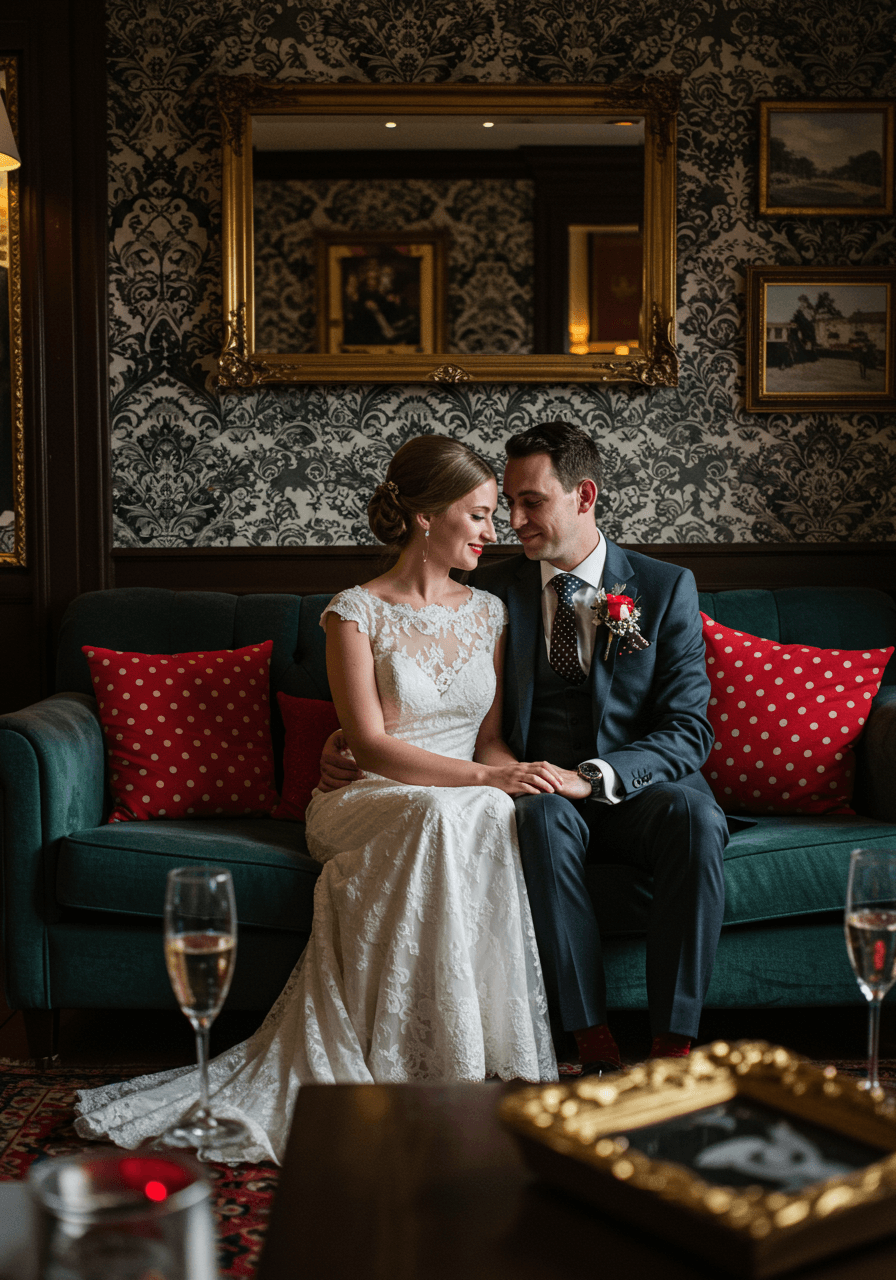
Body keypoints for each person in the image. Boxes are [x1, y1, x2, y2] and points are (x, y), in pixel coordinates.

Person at [74, 435, 558, 1165]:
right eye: (480, 514)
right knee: (450, 810)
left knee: (492, 811)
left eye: (494, 516)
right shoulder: (354, 613)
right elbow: (365, 745)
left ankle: (466, 1052)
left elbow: (488, 743)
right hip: (369, 797)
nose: (493, 532)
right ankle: (405, 1064)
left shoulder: (490, 612)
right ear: (426, 517)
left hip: (457, 797)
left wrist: (512, 772)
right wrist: (485, 780)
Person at [322, 422, 728, 1077]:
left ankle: (673, 1044)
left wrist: (593, 777)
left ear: (583, 496)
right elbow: (420, 695)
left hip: (635, 787)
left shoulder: (663, 587)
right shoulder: (490, 590)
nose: (511, 520)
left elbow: (689, 729)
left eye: (530, 502)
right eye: (503, 503)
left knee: (698, 819)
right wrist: (343, 743)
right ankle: (589, 1037)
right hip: (531, 783)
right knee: (537, 817)